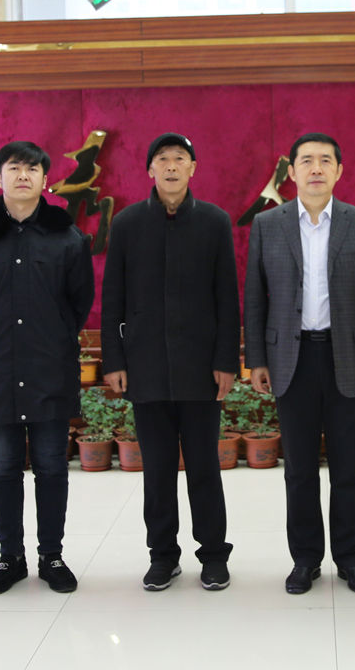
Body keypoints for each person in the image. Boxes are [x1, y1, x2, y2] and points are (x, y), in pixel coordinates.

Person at [244, 132, 355, 595]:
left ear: (339, 171)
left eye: (325, 160)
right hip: (290, 357)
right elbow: (255, 297)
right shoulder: (268, 225)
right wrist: (256, 359)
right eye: (306, 160)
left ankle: (351, 559)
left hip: (346, 355)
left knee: (349, 467)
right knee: (300, 468)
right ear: (291, 172)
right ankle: (305, 559)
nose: (315, 168)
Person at [0, 141, 95, 595]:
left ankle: (51, 556)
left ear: (45, 180)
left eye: (32, 169)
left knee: (52, 467)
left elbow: (79, 304)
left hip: (50, 368)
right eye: (14, 168)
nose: (23, 176)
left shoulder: (68, 239)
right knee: (3, 468)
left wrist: (50, 336)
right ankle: (10, 557)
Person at [102, 133, 239, 592]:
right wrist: (114, 360)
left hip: (202, 369)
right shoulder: (127, 224)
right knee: (157, 471)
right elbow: (113, 298)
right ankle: (162, 556)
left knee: (204, 467)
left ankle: (213, 555)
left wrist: (226, 360)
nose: (172, 166)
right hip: (146, 368)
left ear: (193, 168)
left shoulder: (214, 222)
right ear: (150, 169)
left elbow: (227, 297)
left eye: (180, 159)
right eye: (162, 159)